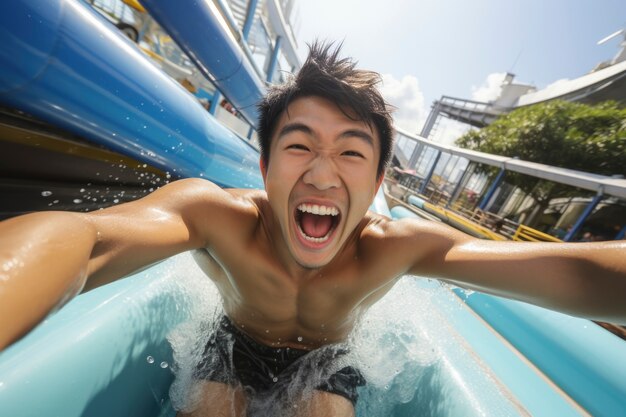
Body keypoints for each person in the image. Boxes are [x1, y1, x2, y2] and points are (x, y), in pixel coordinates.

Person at [1, 42, 625, 417]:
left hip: (330, 360)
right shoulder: (218, 219)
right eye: (299, 146)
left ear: (379, 181)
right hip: (233, 344)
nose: (324, 174)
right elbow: (89, 239)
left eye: (352, 153)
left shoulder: (390, 249)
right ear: (266, 167)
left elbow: (570, 270)